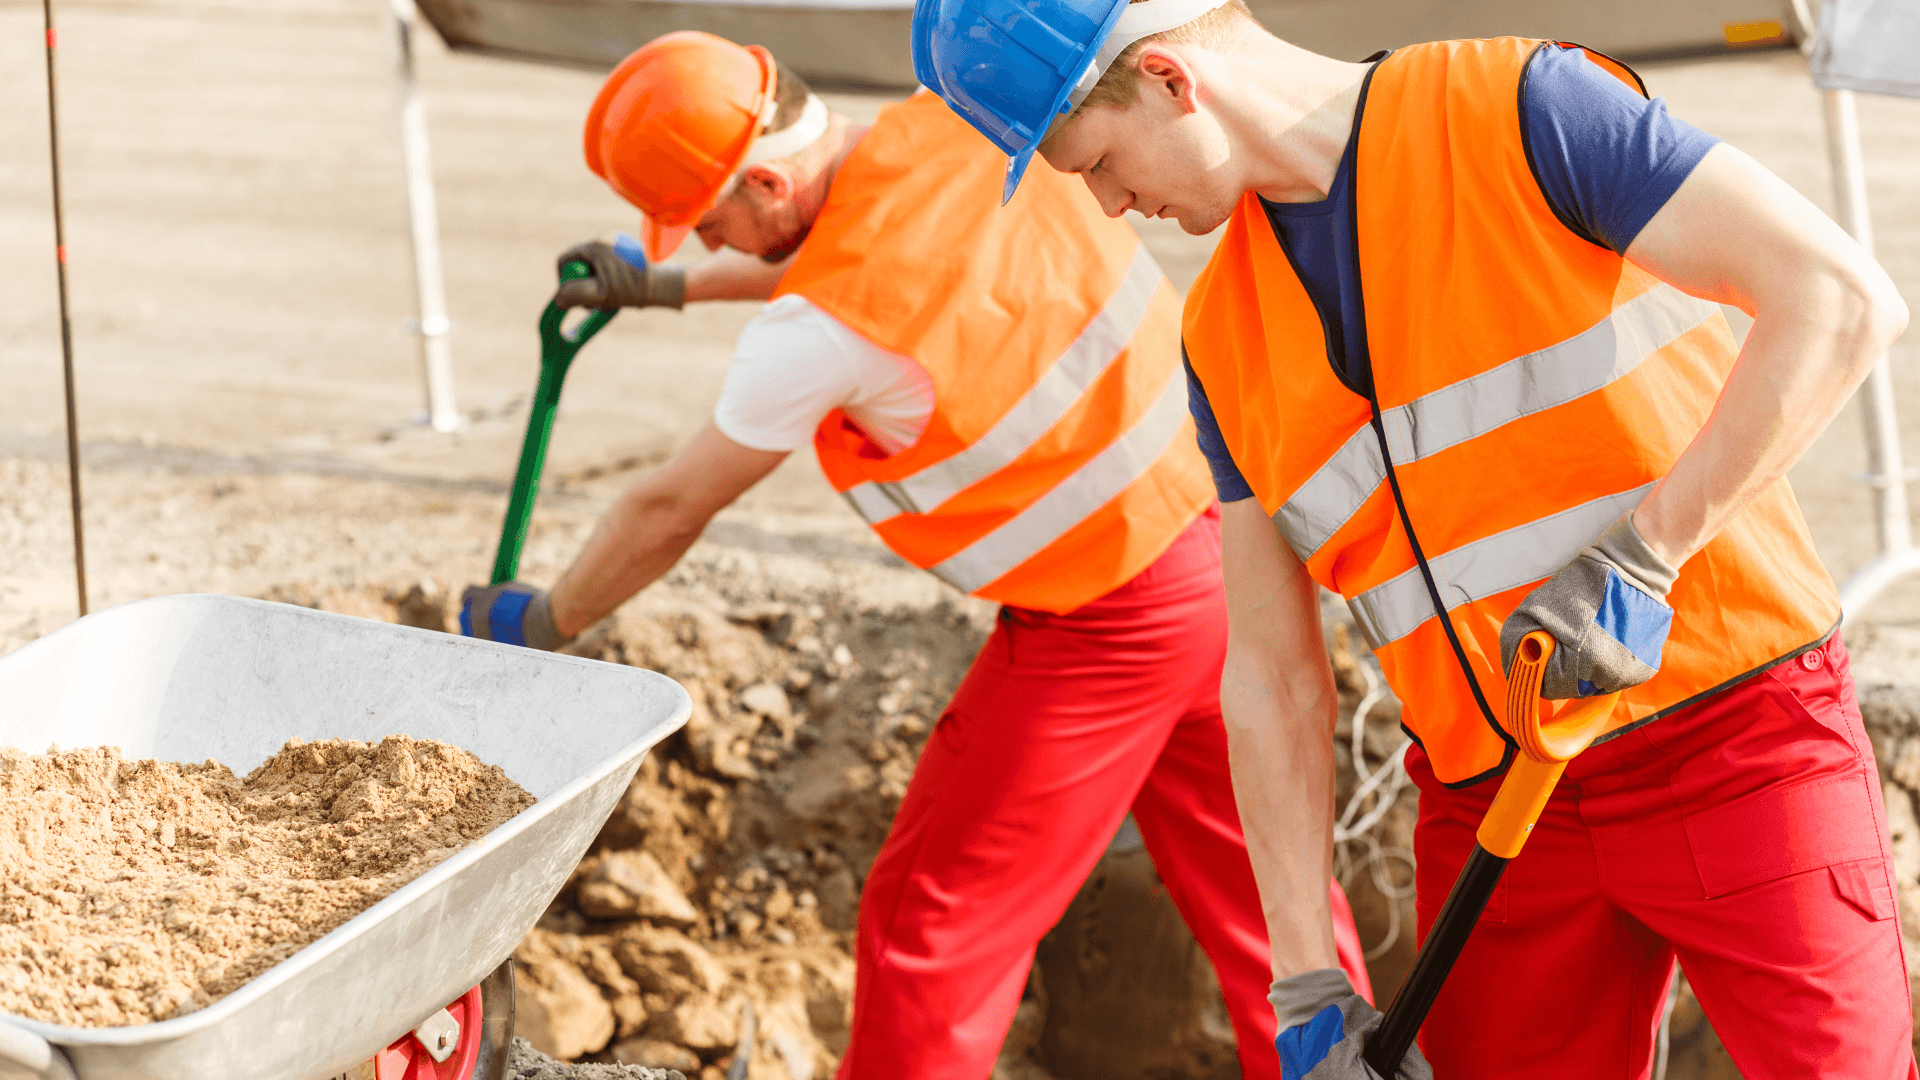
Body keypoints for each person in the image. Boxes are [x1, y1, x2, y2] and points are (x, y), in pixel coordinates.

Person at [914, 3, 1914, 1078]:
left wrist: (1647, 551)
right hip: (1493, 812)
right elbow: (1270, 675)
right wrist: (1304, 980)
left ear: (1167, 79)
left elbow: (1839, 300)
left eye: (1097, 163)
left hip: (1734, 747)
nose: (1109, 204)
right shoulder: (1222, 336)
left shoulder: (1521, 110)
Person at [459, 30, 1374, 1080]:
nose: (707, 241)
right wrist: (673, 290)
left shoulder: (816, 333)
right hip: (1230, 552)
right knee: (1278, 905)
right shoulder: (955, 126)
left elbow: (667, 509)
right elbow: (874, 244)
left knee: (930, 925)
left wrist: (542, 621)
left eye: (709, 222)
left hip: (1107, 615)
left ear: (764, 177)